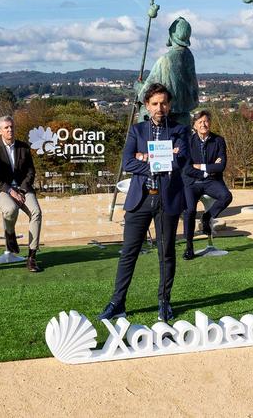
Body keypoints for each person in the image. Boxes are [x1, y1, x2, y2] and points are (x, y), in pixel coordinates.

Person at [98, 83, 189, 323]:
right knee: (128, 253)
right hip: (139, 199)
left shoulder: (181, 131)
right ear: (147, 106)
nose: (160, 108)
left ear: (169, 105)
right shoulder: (137, 131)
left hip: (167, 199)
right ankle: (118, 302)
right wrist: (159, 159)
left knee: (166, 253)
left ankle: (164, 302)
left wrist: (148, 157)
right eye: (155, 103)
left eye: (164, 103)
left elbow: (181, 162)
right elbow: (128, 162)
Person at [0, 115, 43, 273]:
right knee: (11, 209)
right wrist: (11, 190)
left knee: (36, 212)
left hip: (23, 188)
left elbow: (31, 171)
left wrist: (23, 189)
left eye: (12, 126)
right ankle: (10, 233)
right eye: (6, 127)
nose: (10, 129)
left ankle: (32, 257)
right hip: (1, 190)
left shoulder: (24, 147)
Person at [182, 110, 233, 260]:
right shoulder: (188, 142)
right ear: (195, 126)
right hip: (192, 182)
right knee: (189, 211)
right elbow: (186, 168)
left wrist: (201, 167)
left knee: (226, 196)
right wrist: (206, 170)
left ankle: (207, 217)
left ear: (209, 123)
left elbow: (221, 166)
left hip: (212, 181)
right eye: (200, 122)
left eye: (206, 121)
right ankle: (189, 247)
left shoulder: (219, 140)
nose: (203, 124)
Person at [136, 17, 199, 126]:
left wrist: (138, 86)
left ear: (172, 35)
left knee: (144, 110)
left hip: (167, 118)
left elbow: (146, 96)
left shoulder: (165, 60)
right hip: (184, 117)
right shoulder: (188, 55)